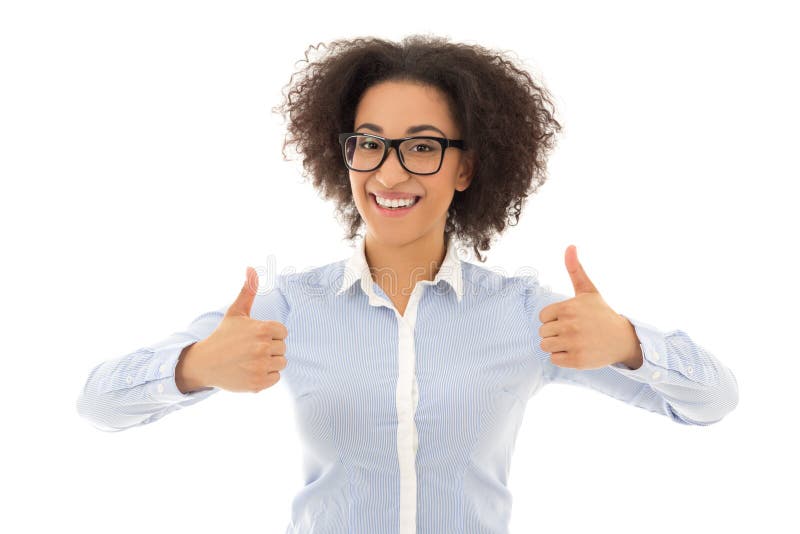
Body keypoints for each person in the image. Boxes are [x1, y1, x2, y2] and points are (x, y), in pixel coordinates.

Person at [76, 34, 739, 534]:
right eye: (369, 143)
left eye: (422, 146)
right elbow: (97, 405)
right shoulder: (287, 308)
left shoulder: (526, 317)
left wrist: (628, 344)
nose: (389, 175)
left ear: (467, 168)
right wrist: (193, 367)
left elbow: (712, 401)